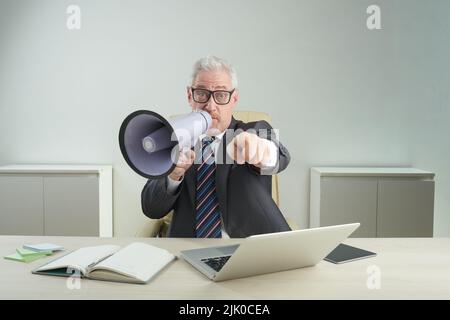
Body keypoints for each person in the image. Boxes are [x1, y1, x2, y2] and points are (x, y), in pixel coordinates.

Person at [141, 55, 291, 238]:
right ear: (190, 95)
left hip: (246, 252)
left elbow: (281, 157)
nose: (210, 106)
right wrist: (173, 176)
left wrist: (262, 151)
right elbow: (151, 209)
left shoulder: (252, 130)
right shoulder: (175, 139)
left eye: (221, 95)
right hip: (187, 249)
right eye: (202, 94)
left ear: (234, 98)